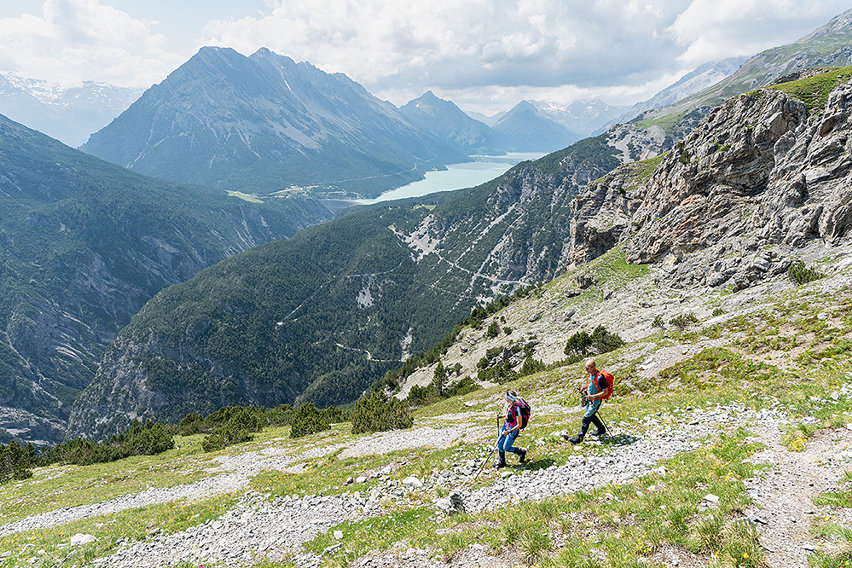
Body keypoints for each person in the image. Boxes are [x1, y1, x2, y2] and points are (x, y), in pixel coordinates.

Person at [568, 359, 610, 444]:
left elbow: (605, 392)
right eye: (586, 368)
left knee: (586, 418)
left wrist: (593, 396)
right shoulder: (591, 374)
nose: (586, 370)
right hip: (589, 399)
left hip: (596, 401)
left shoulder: (600, 378)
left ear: (593, 367)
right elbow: (592, 383)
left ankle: (579, 437)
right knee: (592, 415)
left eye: (587, 368)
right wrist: (584, 387)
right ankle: (601, 430)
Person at [495, 390, 528, 468]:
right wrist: (502, 416)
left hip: (512, 430)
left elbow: (519, 424)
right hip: (506, 426)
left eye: (506, 397)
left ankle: (521, 451)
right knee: (499, 443)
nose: (505, 398)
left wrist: (509, 432)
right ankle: (501, 461)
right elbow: (509, 414)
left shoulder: (517, 409)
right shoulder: (510, 405)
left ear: (509, 398)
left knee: (506, 447)